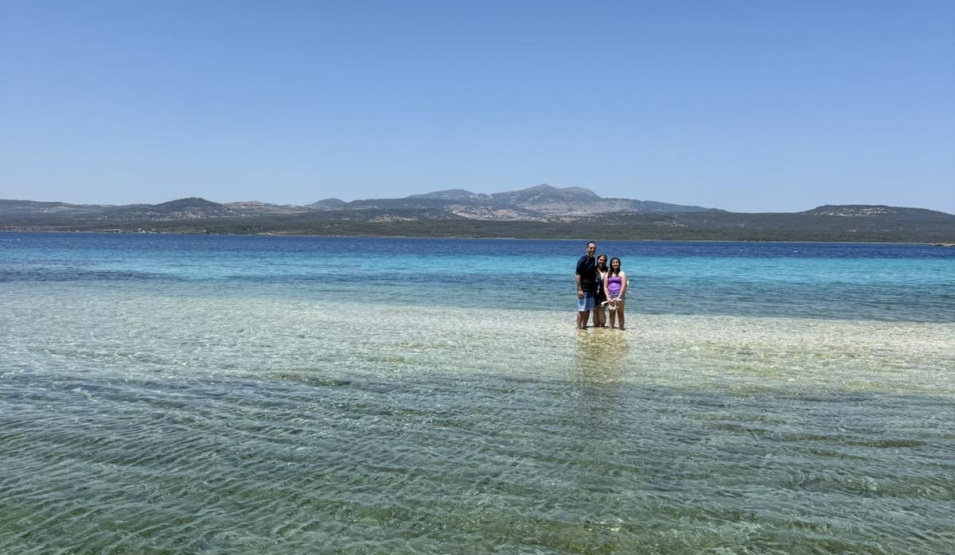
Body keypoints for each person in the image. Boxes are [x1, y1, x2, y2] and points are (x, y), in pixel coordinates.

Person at [575, 241, 597, 329]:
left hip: (591, 289)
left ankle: (584, 326)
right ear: (587, 248)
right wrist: (579, 289)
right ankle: (578, 327)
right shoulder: (582, 259)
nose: (592, 249)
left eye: (594, 248)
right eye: (591, 248)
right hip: (583, 289)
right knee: (581, 310)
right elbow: (577, 274)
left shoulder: (593, 259)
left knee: (588, 309)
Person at [604, 257, 627, 330]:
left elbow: (623, 286)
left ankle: (621, 329)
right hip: (610, 296)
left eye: (616, 262)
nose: (615, 264)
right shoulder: (607, 274)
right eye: (613, 262)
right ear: (611, 264)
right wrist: (607, 297)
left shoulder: (622, 273)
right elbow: (605, 286)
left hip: (619, 296)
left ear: (619, 264)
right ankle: (611, 329)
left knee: (620, 313)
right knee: (611, 313)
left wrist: (619, 297)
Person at [593, 254, 609, 328]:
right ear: (597, 260)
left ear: (605, 261)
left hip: (604, 294)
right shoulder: (593, 269)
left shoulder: (608, 270)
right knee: (595, 311)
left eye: (603, 260)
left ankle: (602, 327)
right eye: (600, 260)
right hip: (593, 293)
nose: (602, 262)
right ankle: (596, 328)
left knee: (601, 311)